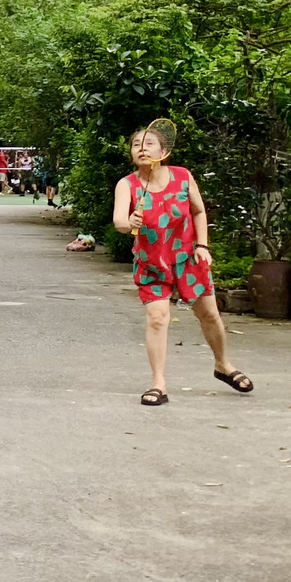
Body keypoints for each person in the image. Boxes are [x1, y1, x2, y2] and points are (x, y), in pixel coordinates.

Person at [112, 128, 253, 406]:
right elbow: (119, 221)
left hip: (188, 258)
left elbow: (199, 211)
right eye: (136, 145)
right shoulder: (126, 185)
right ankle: (158, 385)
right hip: (152, 262)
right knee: (157, 318)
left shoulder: (182, 176)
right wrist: (131, 223)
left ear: (163, 152)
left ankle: (223, 365)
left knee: (209, 315)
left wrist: (203, 246)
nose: (142, 148)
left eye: (149, 144)